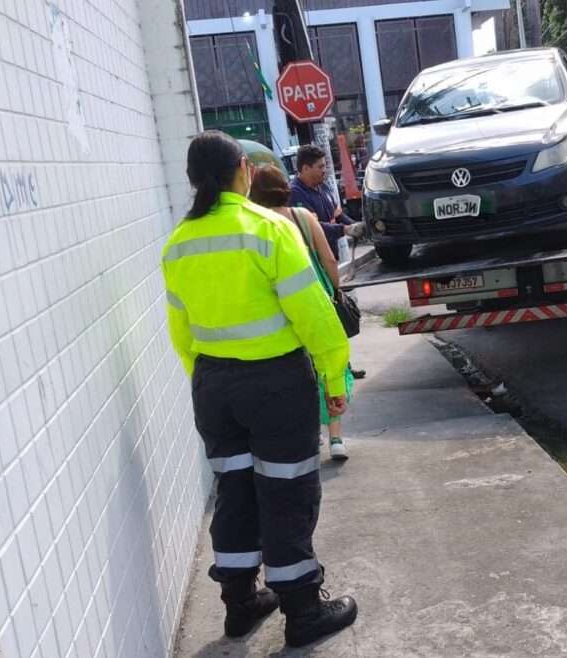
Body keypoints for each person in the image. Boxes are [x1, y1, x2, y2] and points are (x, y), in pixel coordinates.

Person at [161, 130, 358, 647]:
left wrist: (209, 383)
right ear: (242, 173)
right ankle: (302, 612)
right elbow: (314, 314)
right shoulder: (267, 229)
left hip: (214, 387)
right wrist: (335, 378)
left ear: (192, 181)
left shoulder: (178, 244)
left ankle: (241, 606)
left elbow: (181, 334)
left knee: (236, 491)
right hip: (275, 386)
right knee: (287, 492)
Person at [251, 164, 354, 461]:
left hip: (282, 303)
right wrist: (335, 292)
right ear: (284, 187)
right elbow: (330, 259)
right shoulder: (304, 217)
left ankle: (311, 436)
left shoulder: (259, 225)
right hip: (315, 293)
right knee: (330, 364)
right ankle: (336, 438)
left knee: (301, 367)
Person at [290, 144, 368, 380]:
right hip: (314, 265)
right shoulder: (296, 194)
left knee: (337, 316)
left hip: (329, 259)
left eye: (325, 166)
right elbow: (313, 229)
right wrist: (345, 229)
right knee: (327, 318)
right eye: (320, 166)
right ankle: (330, 370)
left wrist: (355, 224)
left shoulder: (321, 188)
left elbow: (335, 214)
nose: (325, 170)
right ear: (305, 168)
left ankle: (342, 367)